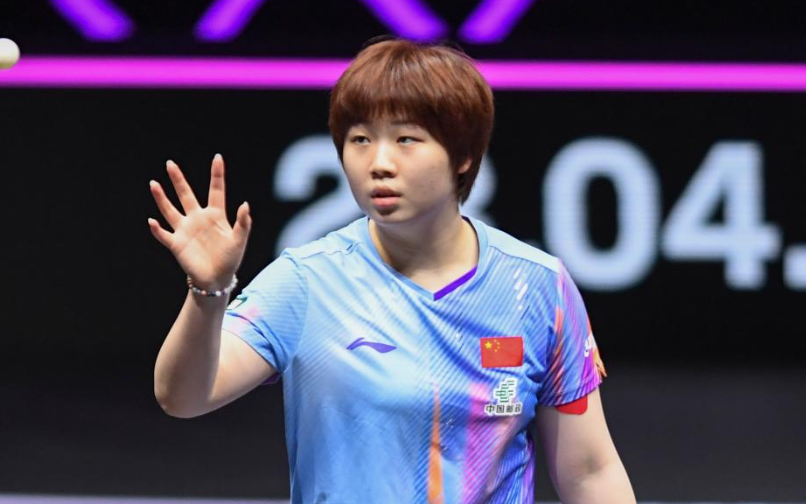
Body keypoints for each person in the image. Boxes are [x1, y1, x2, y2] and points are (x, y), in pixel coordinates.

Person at [148, 38, 635, 503]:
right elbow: (182, 397)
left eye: (406, 139)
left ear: (464, 156)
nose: (379, 163)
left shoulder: (537, 286)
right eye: (360, 139)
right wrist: (208, 292)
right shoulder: (306, 280)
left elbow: (589, 471)